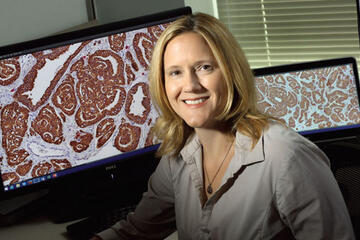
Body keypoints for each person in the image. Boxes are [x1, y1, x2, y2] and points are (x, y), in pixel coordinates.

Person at [93, 13, 355, 239]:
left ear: (231, 72)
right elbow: (137, 231)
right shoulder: (177, 155)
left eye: (204, 67)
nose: (190, 85)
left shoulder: (286, 157)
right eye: (175, 72)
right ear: (162, 83)